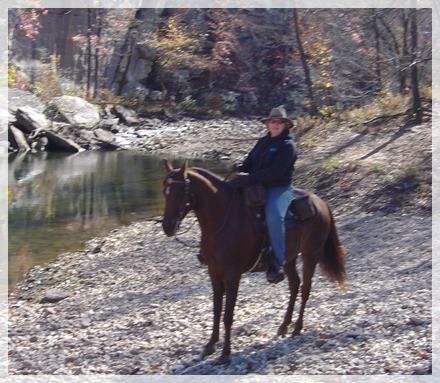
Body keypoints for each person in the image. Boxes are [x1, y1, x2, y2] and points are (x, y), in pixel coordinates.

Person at [229, 105, 297, 283]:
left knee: (273, 214)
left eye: (279, 122)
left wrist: (249, 179)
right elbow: (250, 161)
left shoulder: (288, 146)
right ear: (267, 124)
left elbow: (275, 173)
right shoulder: (262, 142)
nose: (275, 124)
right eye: (273, 121)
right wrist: (240, 168)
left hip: (279, 187)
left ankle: (277, 262)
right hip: (257, 184)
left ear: (285, 125)